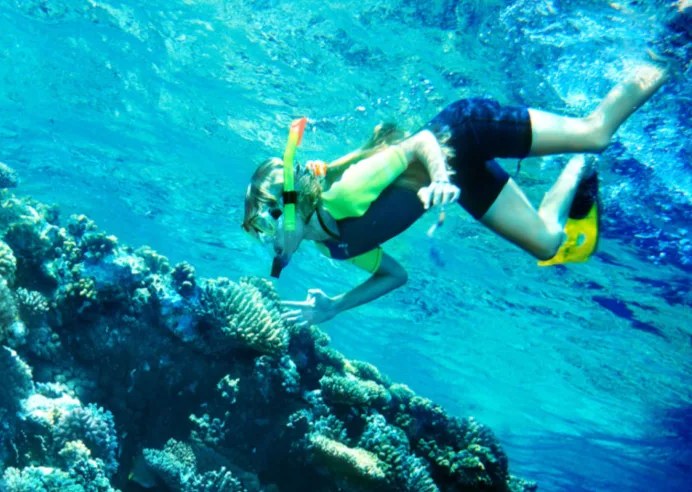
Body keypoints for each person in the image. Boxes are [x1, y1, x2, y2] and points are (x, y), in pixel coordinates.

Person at [241, 64, 669, 326]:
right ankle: (579, 166)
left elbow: (420, 141)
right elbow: (395, 275)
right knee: (547, 243)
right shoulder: (336, 249)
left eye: (273, 215)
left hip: (463, 131)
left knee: (594, 132)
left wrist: (441, 176)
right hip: (455, 170)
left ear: (294, 203)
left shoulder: (345, 196)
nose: (271, 234)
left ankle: (669, 43)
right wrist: (336, 305)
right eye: (261, 228)